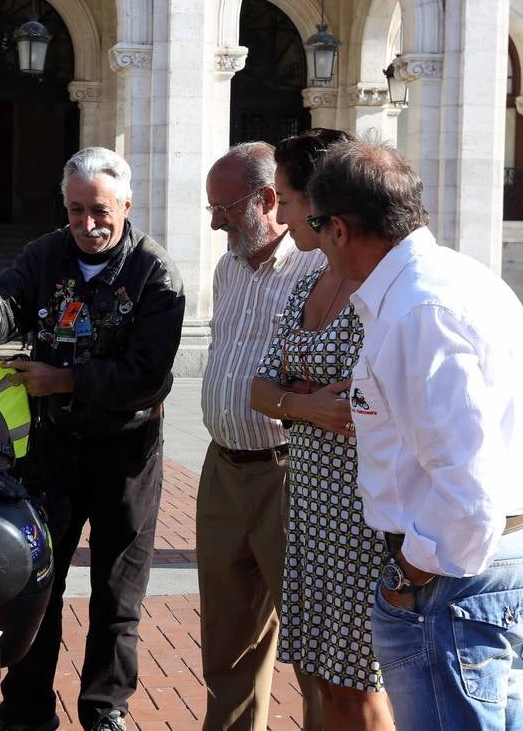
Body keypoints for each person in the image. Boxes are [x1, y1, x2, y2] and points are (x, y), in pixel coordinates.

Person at [306, 140, 523, 731]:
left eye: (316, 225)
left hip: (453, 581)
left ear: (339, 228)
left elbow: (469, 490)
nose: (313, 241)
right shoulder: (450, 282)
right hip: (473, 571)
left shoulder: (421, 309)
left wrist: (411, 577)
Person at [0, 147, 186, 731]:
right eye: (76, 210)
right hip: (51, 454)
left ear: (126, 205)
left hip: (127, 456)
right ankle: (26, 710)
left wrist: (66, 379)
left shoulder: (156, 273)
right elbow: (6, 302)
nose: (87, 223)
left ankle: (106, 708)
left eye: (99, 210)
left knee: (118, 594)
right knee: (34, 585)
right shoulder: (46, 254)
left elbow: (147, 375)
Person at [250, 129, 394, 731]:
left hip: (363, 520)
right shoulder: (309, 281)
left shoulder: (379, 290)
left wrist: (295, 397)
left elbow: (369, 408)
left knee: (361, 685)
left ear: (320, 204)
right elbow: (259, 389)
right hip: (308, 506)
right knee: (318, 677)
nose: (277, 213)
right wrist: (306, 404)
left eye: (284, 198)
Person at [198, 142, 324, 731]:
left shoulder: (316, 269)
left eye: (225, 208)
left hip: (288, 471)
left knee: (311, 644)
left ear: (269, 199)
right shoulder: (227, 268)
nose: (215, 220)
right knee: (227, 639)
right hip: (222, 468)